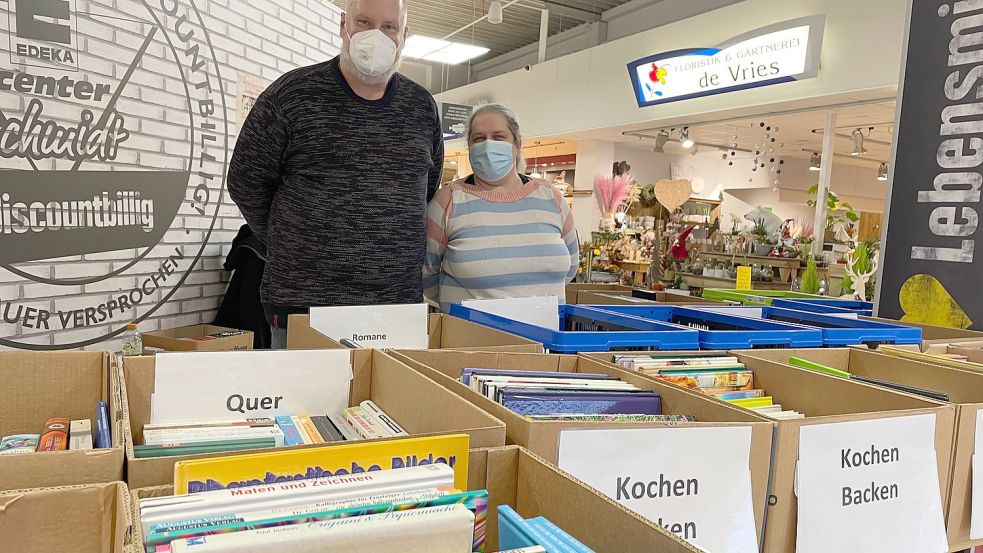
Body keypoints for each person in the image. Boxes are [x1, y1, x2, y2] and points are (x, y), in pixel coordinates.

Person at [228, 0, 443, 349]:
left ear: (405, 34)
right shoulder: (292, 95)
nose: (377, 35)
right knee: (305, 403)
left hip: (395, 305)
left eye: (389, 26)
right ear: (344, 25)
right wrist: (288, 241)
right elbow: (245, 180)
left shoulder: (421, 106)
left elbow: (425, 189)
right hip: (305, 303)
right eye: (364, 21)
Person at [423, 104, 579, 311]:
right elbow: (426, 273)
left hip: (547, 338)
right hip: (473, 337)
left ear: (517, 144)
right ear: (469, 146)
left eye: (498, 137)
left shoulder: (551, 197)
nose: (488, 145)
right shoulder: (449, 200)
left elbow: (571, 267)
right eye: (478, 138)